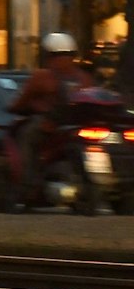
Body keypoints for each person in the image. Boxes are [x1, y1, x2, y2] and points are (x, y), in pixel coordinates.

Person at [8, 31, 96, 199]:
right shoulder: (84, 78)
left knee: (25, 137)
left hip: (50, 126)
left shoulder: (42, 76)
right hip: (79, 127)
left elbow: (22, 101)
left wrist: (13, 108)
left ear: (48, 54)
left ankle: (27, 183)